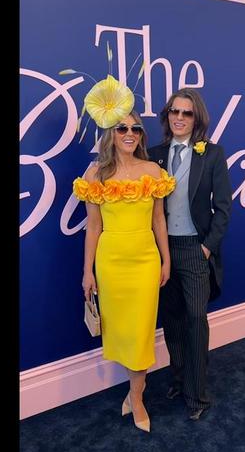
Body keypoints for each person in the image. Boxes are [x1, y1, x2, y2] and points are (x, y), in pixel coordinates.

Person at [73, 107, 175, 433]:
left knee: (142, 331)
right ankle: (135, 394)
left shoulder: (153, 172)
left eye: (135, 128)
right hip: (111, 261)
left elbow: (159, 220)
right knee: (123, 331)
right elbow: (92, 227)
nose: (129, 133)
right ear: (111, 135)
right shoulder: (96, 175)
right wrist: (87, 272)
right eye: (121, 129)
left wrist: (166, 258)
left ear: (141, 135)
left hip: (145, 260)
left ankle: (137, 396)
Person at [147, 88, 232, 421]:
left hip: (195, 250)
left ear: (197, 118)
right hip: (163, 250)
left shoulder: (212, 154)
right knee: (172, 319)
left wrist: (207, 246)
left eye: (186, 113)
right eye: (174, 112)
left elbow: (223, 208)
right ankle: (179, 378)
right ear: (167, 116)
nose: (179, 118)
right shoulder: (153, 154)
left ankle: (197, 394)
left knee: (196, 319)